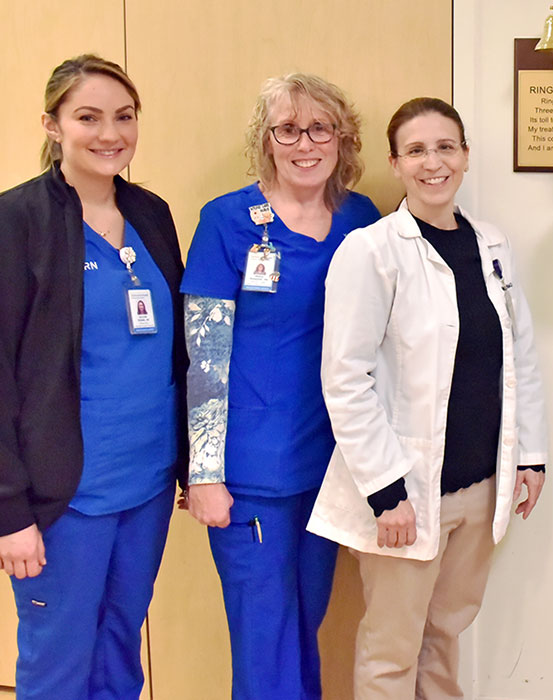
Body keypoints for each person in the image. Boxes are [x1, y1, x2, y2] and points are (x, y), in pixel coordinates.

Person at [0, 54, 186, 699]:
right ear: (53, 125)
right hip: (63, 497)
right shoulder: (11, 223)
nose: (109, 133)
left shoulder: (150, 213)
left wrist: (194, 463)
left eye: (124, 116)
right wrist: (5, 511)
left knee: (120, 647)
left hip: (145, 485)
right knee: (58, 663)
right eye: (88, 117)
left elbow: (175, 354)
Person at [306, 96, 547, 700]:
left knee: (445, 636)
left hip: (478, 486)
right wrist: (386, 492)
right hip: (406, 494)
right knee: (392, 651)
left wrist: (530, 456)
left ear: (465, 156)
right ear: (395, 163)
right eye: (416, 150)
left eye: (445, 147)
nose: (432, 162)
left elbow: (520, 357)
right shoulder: (371, 251)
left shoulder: (491, 244)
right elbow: (344, 378)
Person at [180, 74, 380, 699]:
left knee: (306, 623)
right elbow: (204, 359)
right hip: (250, 471)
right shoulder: (227, 221)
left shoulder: (359, 217)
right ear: (266, 140)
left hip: (331, 466)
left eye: (319, 128)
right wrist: (204, 474)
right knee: (263, 634)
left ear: (341, 138)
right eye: (287, 129)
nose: (304, 144)